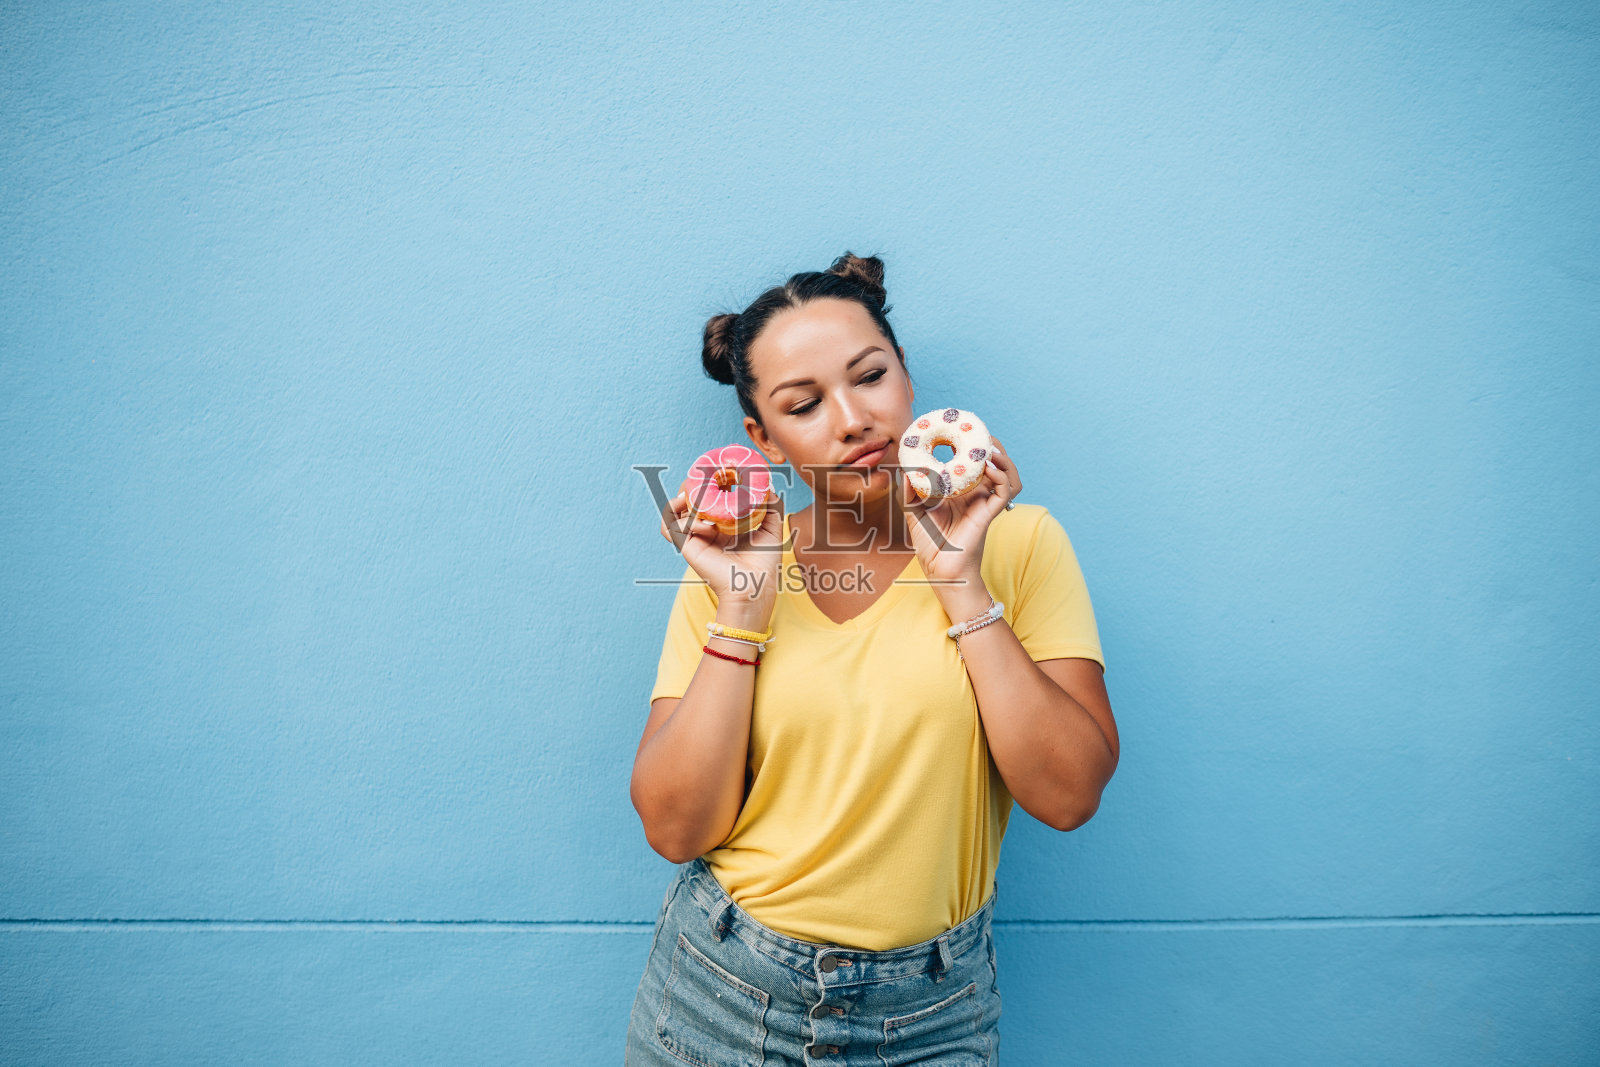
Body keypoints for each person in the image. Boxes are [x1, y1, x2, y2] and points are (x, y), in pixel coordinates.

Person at [625, 252, 1118, 1065]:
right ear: (764, 439)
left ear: (909, 382)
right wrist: (743, 607)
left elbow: (1069, 795)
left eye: (870, 376)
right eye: (805, 404)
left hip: (932, 1014)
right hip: (721, 989)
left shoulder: (1023, 545)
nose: (853, 419)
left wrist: (959, 584)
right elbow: (676, 826)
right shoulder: (737, 562)